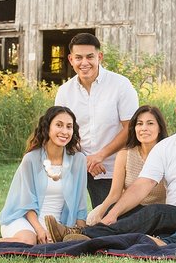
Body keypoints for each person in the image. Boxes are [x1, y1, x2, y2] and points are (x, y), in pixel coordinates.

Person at [46, 85, 176, 241]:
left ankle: (84, 235)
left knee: (155, 212)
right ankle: (80, 234)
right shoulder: (167, 146)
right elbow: (142, 185)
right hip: (174, 215)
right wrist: (113, 214)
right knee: (126, 214)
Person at [0, 106, 87, 245]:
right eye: (59, 125)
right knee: (29, 240)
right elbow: (26, 202)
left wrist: (81, 231)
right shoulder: (31, 159)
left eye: (69, 127)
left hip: (56, 225)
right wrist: (39, 230)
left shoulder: (78, 160)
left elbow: (80, 203)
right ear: (47, 127)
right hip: (24, 219)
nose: (64, 131)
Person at [54, 33, 139, 208]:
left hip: (112, 168)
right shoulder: (64, 91)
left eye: (90, 57)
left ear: (99, 57)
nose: (84, 63)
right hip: (76, 163)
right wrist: (84, 159)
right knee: (64, 216)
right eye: (78, 57)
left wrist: (99, 156)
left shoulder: (121, 85)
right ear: (71, 59)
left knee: (108, 221)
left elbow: (130, 127)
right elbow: (61, 132)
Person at [85, 105, 169, 225]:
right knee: (92, 218)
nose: (144, 128)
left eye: (150, 123)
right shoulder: (125, 154)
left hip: (156, 213)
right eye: (139, 124)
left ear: (159, 128)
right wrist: (100, 217)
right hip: (128, 209)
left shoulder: (168, 153)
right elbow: (114, 194)